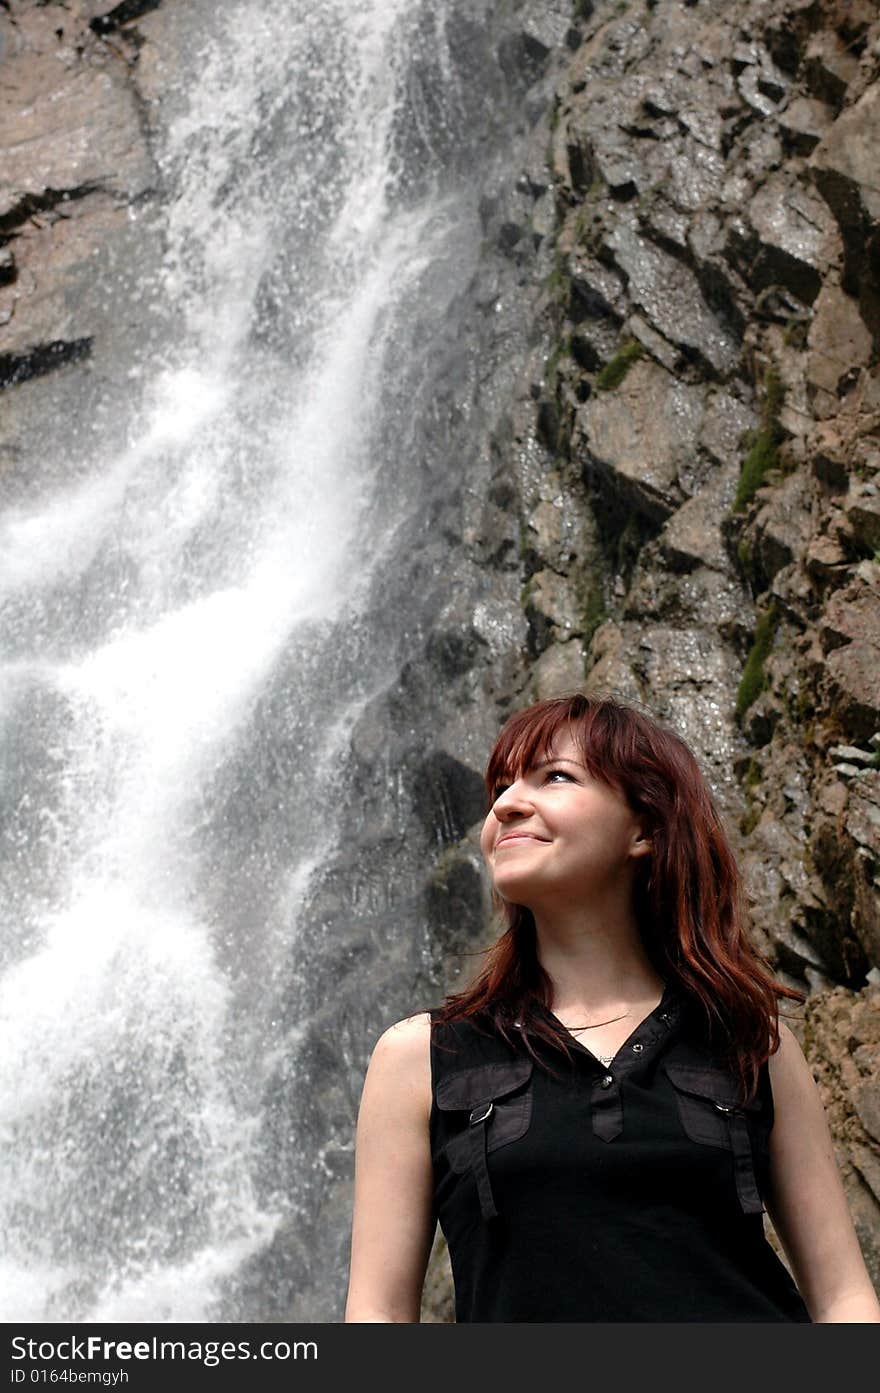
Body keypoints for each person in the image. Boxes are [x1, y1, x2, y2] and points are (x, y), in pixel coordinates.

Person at [344, 692, 880, 1322]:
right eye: (501, 787)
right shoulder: (421, 1056)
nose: (506, 804)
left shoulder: (750, 1041)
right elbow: (377, 1316)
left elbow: (845, 1298)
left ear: (645, 829)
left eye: (556, 778)